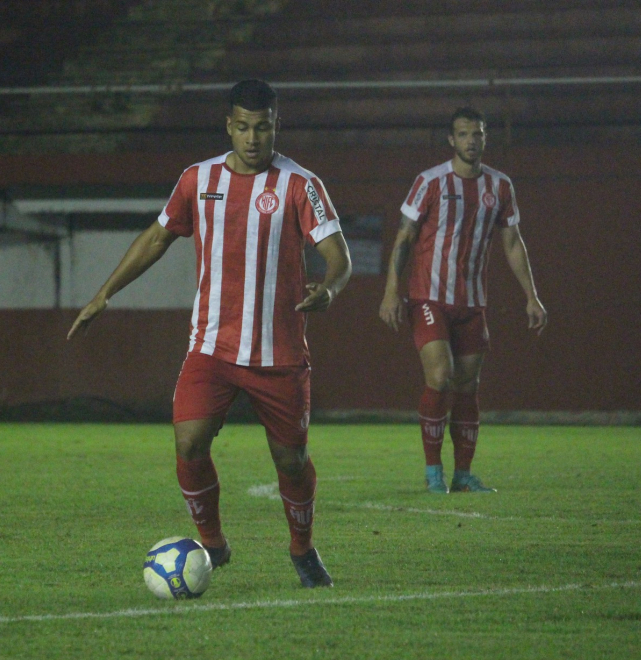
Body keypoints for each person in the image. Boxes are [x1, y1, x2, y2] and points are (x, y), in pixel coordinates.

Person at [68, 79, 351, 587]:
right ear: (228, 126)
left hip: (278, 352)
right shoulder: (197, 179)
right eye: (243, 126)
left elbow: (339, 257)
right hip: (211, 348)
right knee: (189, 441)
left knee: (291, 459)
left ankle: (302, 549)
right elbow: (157, 237)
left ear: (275, 126)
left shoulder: (299, 184)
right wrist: (104, 293)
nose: (252, 138)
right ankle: (213, 544)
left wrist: (329, 291)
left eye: (262, 127)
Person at [379, 106, 546, 494]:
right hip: (429, 297)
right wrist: (390, 291)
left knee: (468, 387)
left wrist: (531, 297)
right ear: (451, 140)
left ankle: (463, 474)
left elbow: (512, 242)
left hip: (472, 303)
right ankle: (433, 469)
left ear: (485, 138)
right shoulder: (431, 181)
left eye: (478, 134)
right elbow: (404, 238)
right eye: (464, 134)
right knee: (440, 377)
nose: (472, 141)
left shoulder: (500, 186)